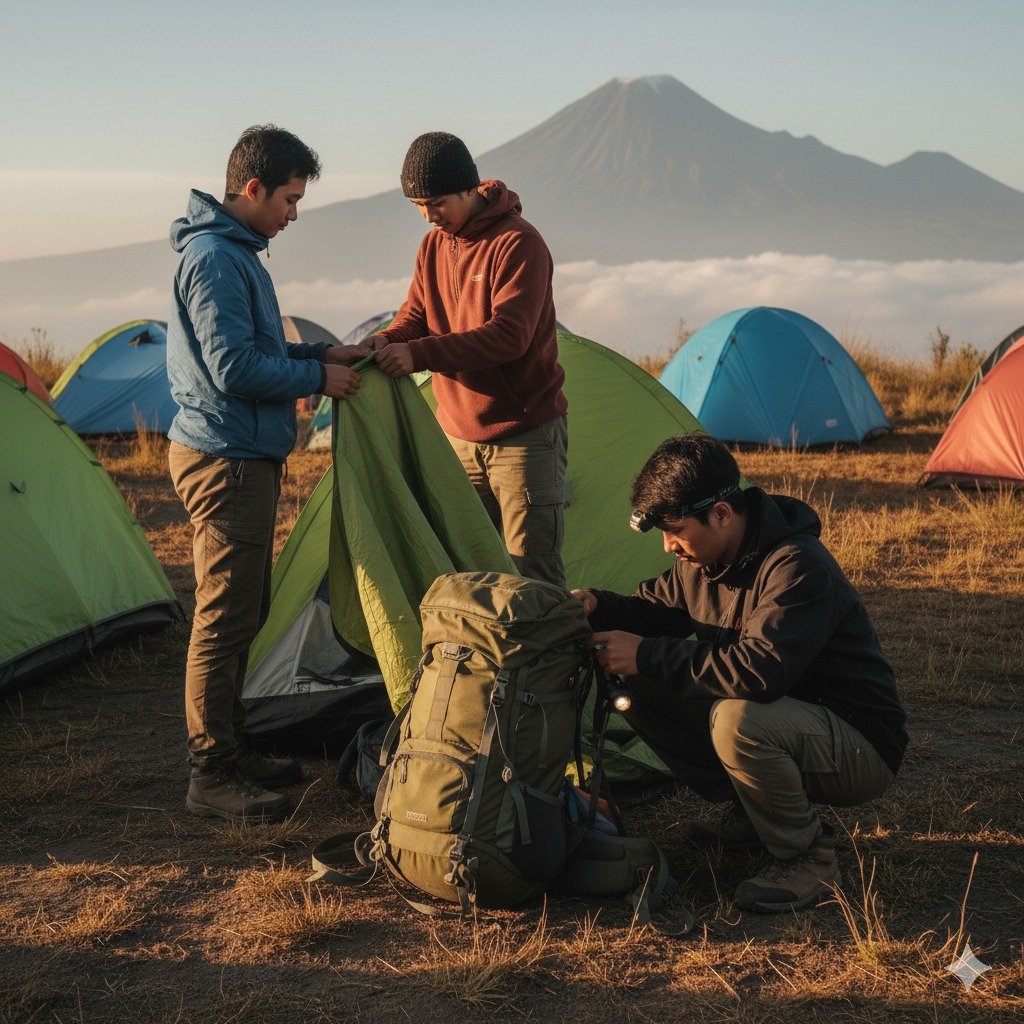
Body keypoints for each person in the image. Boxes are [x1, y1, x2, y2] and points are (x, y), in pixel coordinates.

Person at [573, 432, 908, 913]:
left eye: (675, 530)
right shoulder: (704, 559)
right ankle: (756, 814)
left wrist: (645, 652)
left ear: (722, 514)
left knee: (738, 718)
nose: (669, 546)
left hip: (859, 744)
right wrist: (598, 606)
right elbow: (656, 610)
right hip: (788, 721)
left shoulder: (796, 567)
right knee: (632, 676)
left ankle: (807, 857)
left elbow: (759, 672)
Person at [167, 125, 368, 823]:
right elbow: (233, 367)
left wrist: (324, 349)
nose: (293, 212)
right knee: (223, 618)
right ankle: (210, 773)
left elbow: (255, 344)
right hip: (224, 459)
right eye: (288, 197)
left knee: (245, 608)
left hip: (242, 454)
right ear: (252, 190)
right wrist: (318, 375)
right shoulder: (216, 259)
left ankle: (233, 745)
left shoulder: (237, 251)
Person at [371, 131, 568, 587]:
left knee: (531, 570)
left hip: (524, 437)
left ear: (468, 189)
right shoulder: (434, 246)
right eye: (418, 206)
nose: (427, 217)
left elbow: (508, 337)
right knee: (463, 562)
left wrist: (416, 354)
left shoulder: (519, 244)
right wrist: (383, 342)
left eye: (436, 203)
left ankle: (547, 658)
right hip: (456, 438)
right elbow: (416, 314)